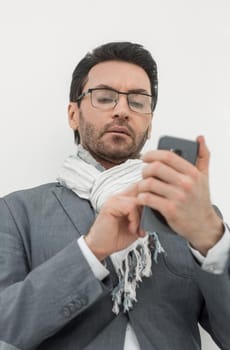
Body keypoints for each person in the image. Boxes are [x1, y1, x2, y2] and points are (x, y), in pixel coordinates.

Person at [0, 42, 229, 350]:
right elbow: (5, 327)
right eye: (105, 97)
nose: (122, 110)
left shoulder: (191, 214)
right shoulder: (17, 212)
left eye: (137, 102)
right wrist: (91, 252)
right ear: (73, 114)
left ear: (149, 124)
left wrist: (212, 241)